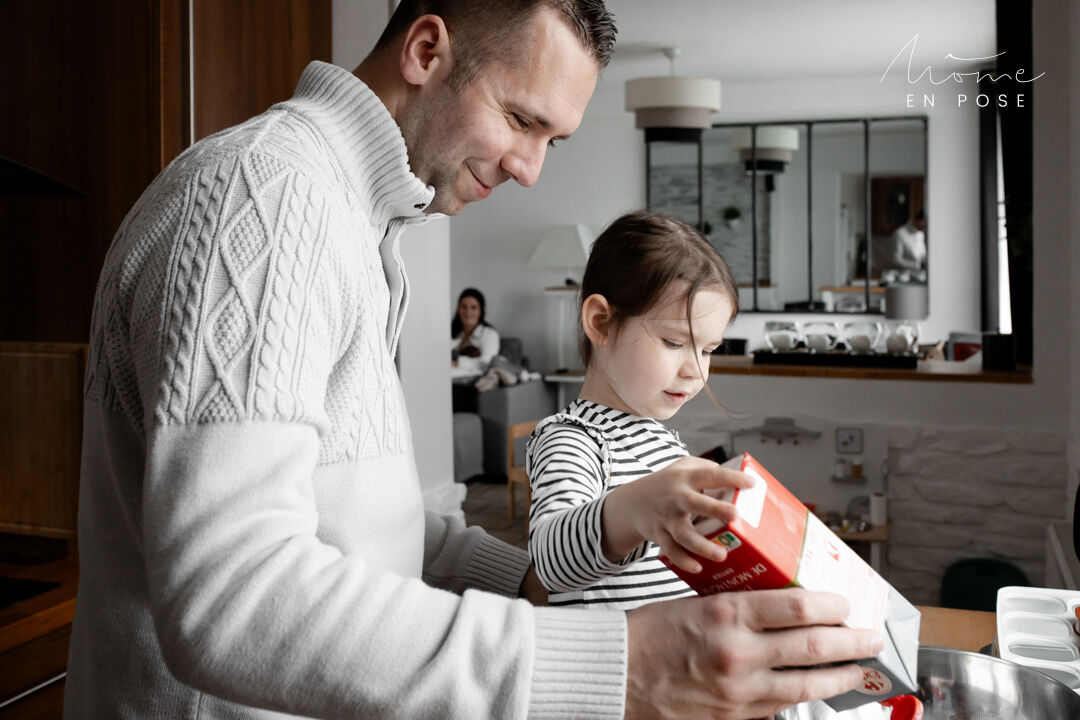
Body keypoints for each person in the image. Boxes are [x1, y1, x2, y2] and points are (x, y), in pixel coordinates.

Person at [65, 2, 881, 719]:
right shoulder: (271, 196)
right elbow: (231, 600)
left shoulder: (360, 228)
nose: (530, 169)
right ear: (427, 51)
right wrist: (622, 667)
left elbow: (363, 525)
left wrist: (552, 576)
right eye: (523, 122)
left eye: (552, 139)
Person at [527, 210, 752, 609]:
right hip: (612, 664)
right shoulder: (574, 439)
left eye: (708, 350)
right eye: (673, 342)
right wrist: (632, 512)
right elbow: (550, 561)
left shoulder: (663, 442)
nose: (695, 370)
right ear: (601, 322)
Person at [451, 287, 500, 379]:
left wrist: (457, 362)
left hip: (468, 382)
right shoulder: (451, 332)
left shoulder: (489, 334)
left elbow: (487, 362)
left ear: (481, 310)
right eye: (464, 307)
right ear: (458, 309)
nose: (468, 312)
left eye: (473, 308)